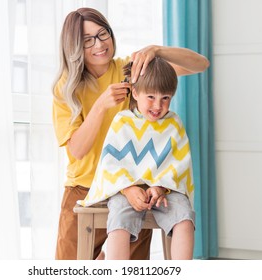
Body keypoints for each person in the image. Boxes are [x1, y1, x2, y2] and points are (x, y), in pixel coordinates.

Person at [52, 7, 209, 260]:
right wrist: (102, 105)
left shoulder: (132, 69)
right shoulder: (66, 88)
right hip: (85, 189)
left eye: (103, 34)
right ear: (74, 47)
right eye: (87, 39)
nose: (99, 44)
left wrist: (157, 50)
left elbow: (200, 64)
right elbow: (77, 151)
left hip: (135, 188)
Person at [78, 57, 195, 260]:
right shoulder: (122, 121)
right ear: (135, 92)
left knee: (184, 217)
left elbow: (179, 163)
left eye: (165, 98)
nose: (158, 105)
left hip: (165, 190)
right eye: (151, 96)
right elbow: (110, 162)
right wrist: (128, 189)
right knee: (119, 220)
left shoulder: (173, 123)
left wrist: (160, 187)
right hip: (126, 190)